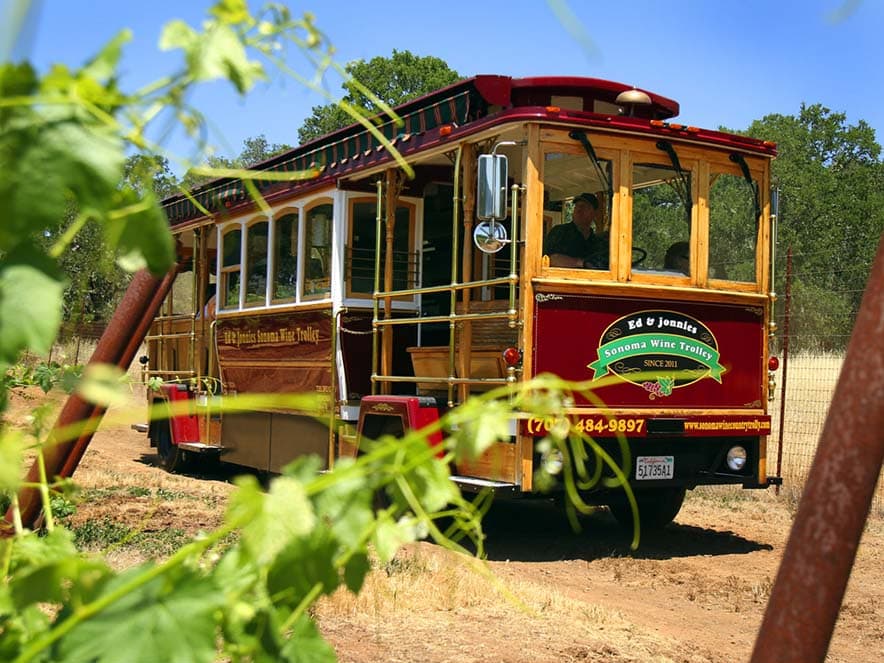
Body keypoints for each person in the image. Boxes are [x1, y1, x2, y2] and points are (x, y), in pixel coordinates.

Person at [544, 192, 609, 268]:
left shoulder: (596, 241)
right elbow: (550, 259)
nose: (579, 210)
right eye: (576, 206)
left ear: (594, 213)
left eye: (584, 207)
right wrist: (582, 263)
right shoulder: (560, 232)